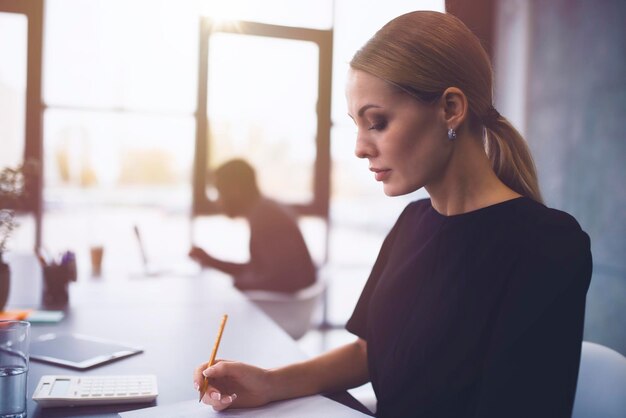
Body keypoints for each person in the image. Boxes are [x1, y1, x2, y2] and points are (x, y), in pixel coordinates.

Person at [192, 11, 592, 417]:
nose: (360, 148)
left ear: (451, 108)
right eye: (357, 126)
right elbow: (369, 351)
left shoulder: (548, 246)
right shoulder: (412, 223)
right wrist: (269, 382)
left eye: (377, 123)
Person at [189, 159, 316, 293]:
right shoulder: (264, 210)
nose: (218, 202)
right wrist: (211, 261)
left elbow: (282, 280)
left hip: (281, 308)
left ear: (234, 190)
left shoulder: (266, 218)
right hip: (281, 305)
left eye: (219, 192)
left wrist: (238, 285)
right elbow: (258, 269)